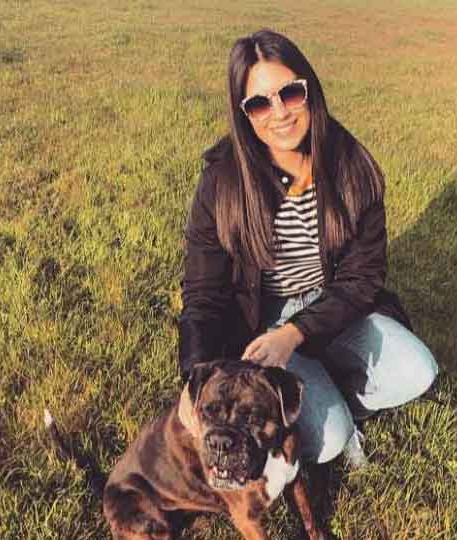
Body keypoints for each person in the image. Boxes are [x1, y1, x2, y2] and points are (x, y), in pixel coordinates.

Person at [177, 29, 438, 465]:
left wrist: (295, 334)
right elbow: (202, 295)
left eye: (290, 94)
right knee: (330, 443)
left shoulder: (353, 168)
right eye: (259, 103)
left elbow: (362, 278)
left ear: (309, 91)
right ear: (244, 115)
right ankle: (332, 411)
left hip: (334, 305)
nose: (279, 113)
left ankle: (335, 392)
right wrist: (193, 380)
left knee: (418, 372)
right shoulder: (221, 183)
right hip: (260, 319)